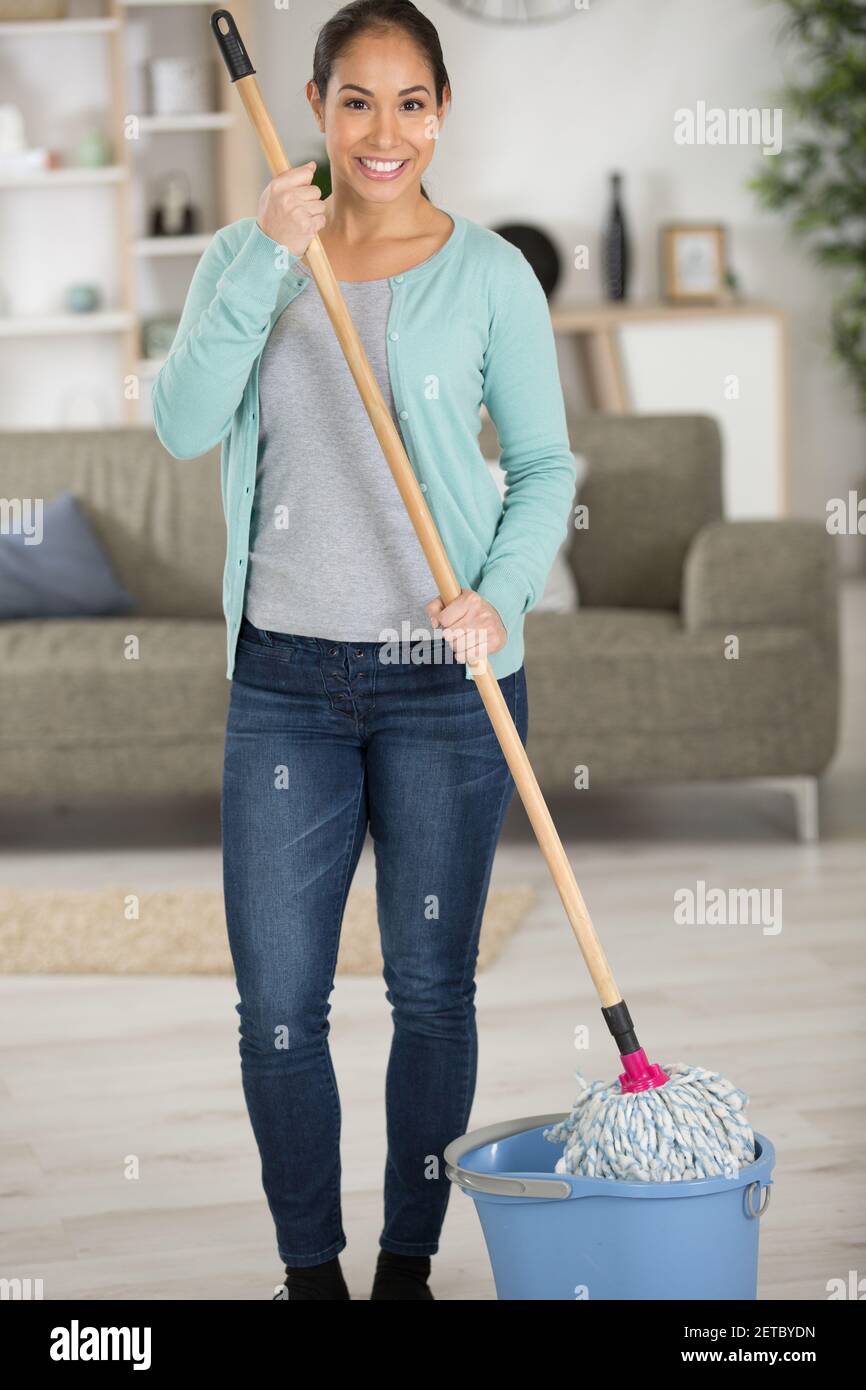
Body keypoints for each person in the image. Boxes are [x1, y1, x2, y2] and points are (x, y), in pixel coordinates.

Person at [152, 0, 575, 1300]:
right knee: (278, 1005)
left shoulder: (490, 272)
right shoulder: (248, 249)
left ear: (439, 113)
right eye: (354, 100)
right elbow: (178, 425)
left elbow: (545, 466)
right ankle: (307, 1274)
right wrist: (271, 263)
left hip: (445, 688)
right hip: (286, 682)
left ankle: (405, 1264)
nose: (381, 131)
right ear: (313, 105)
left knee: (429, 992)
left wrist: (497, 593)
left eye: (408, 102)